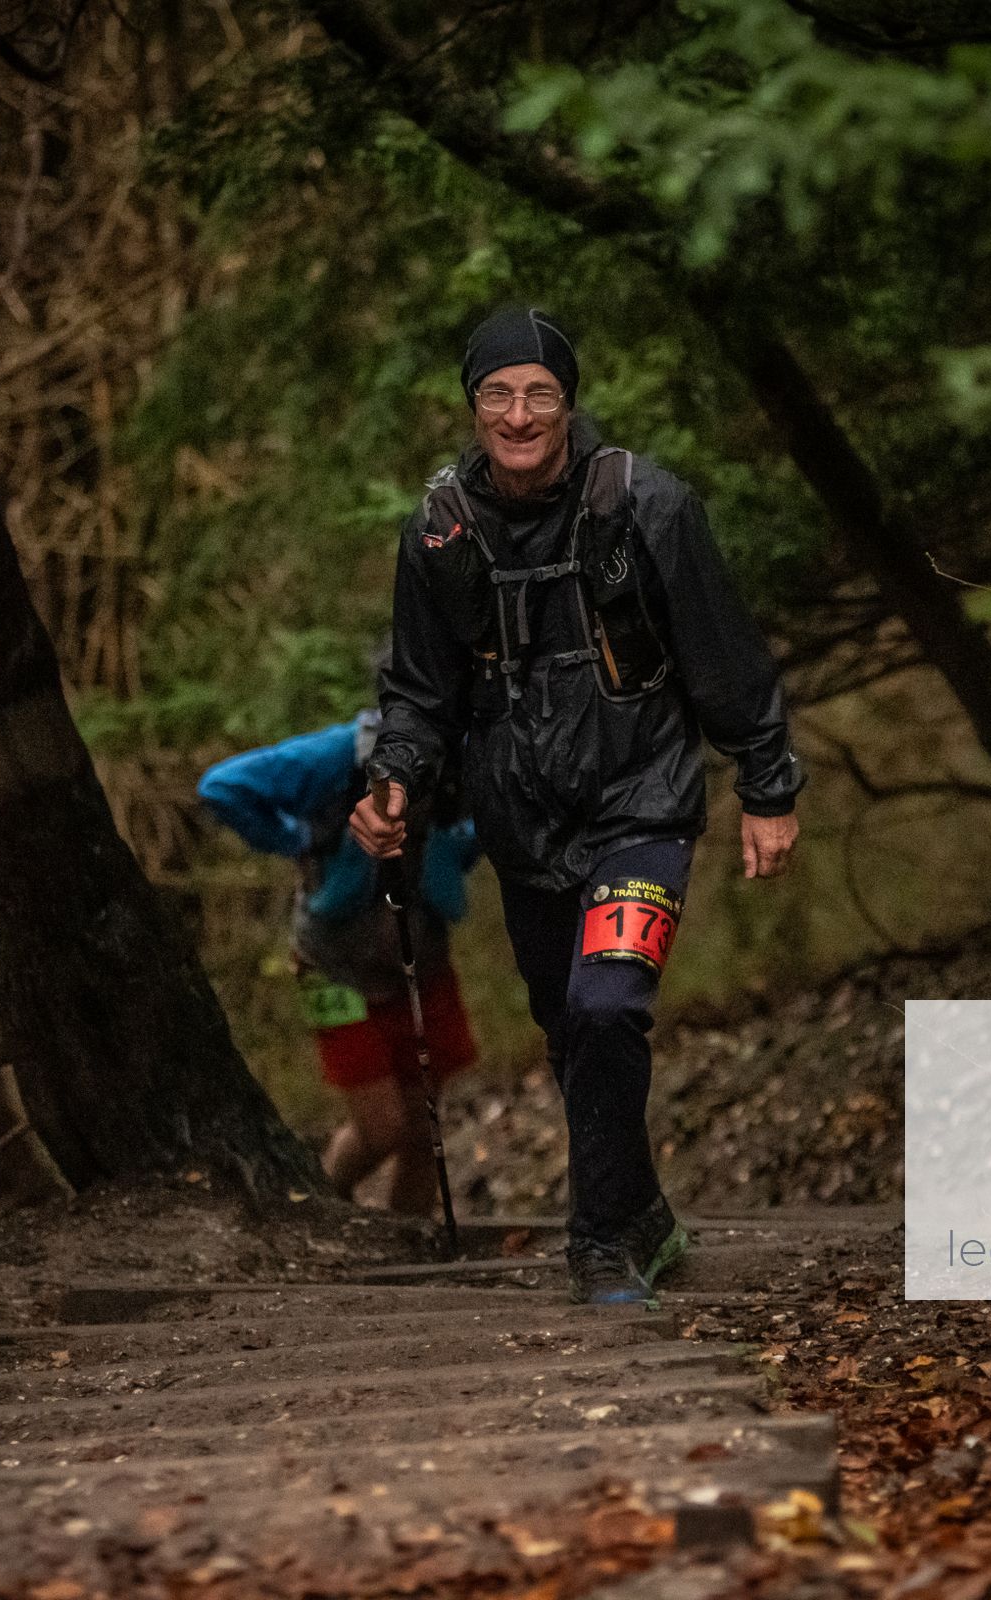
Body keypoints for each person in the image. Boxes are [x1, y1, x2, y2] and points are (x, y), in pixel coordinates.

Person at [350, 305, 804, 1306]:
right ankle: (643, 1214)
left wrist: (768, 785)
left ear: (568, 402)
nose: (518, 415)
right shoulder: (438, 531)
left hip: (643, 802)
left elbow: (725, 657)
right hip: (522, 823)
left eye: (539, 394)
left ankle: (599, 1244)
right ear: (473, 406)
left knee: (607, 1004)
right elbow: (419, 691)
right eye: (497, 395)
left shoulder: (649, 506)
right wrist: (395, 781)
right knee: (570, 1028)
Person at [199, 708, 482, 1213]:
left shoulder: (471, 755)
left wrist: (456, 848)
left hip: (422, 963)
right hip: (331, 966)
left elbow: (502, 819)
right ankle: (329, 1213)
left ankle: (409, 1245)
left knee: (425, 1131)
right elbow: (222, 787)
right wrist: (302, 838)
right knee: (382, 1128)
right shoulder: (338, 757)